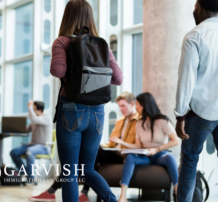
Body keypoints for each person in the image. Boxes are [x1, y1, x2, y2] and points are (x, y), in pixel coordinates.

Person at [50, 1, 123, 201]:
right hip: (98, 113)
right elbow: (118, 78)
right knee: (87, 169)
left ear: (67, 16)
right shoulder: (101, 44)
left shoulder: (62, 41)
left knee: (70, 172)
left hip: (72, 110)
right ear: (91, 17)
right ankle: (112, 199)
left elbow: (58, 71)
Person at [174, 0, 218, 201]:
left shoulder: (194, 36)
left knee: (189, 161)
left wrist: (180, 115)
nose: (194, 9)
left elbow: (186, 79)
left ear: (200, 8)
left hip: (201, 111)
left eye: (195, 5)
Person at [29, 92, 138, 202]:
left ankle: (60, 191)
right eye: (119, 106)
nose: (121, 109)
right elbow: (112, 142)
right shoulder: (120, 121)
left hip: (125, 154)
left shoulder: (139, 121)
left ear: (132, 104)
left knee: (75, 167)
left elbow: (140, 145)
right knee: (82, 165)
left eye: (123, 106)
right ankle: (83, 193)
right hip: (112, 150)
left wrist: (121, 142)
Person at [111, 92, 179, 202]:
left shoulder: (163, 121)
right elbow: (138, 145)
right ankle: (123, 196)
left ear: (145, 105)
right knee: (130, 157)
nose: (136, 107)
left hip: (160, 155)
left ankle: (178, 194)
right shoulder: (139, 123)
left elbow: (175, 141)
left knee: (170, 158)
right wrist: (122, 142)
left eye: (138, 104)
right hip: (145, 155)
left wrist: (156, 150)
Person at [10, 101, 52, 181]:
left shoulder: (46, 118)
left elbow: (34, 118)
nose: (31, 111)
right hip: (32, 145)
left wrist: (29, 107)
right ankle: (25, 172)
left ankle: (31, 178)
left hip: (44, 147)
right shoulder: (34, 121)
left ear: (40, 110)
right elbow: (25, 130)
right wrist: (14, 130)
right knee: (14, 152)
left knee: (30, 151)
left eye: (33, 109)